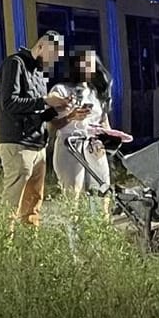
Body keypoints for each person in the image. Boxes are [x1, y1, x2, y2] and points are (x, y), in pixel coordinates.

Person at [0, 30, 75, 230]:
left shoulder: (40, 74)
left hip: (38, 146)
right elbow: (9, 103)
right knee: (12, 204)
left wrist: (63, 110)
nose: (52, 62)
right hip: (18, 145)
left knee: (33, 204)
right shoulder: (15, 65)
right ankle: (4, 249)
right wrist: (46, 100)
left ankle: (28, 249)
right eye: (52, 56)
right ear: (41, 47)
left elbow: (37, 112)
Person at [53, 48, 124, 204]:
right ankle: (73, 228)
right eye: (84, 63)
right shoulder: (61, 90)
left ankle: (101, 226)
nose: (88, 67)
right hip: (70, 146)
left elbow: (103, 120)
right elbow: (53, 124)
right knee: (73, 193)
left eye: (91, 64)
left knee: (102, 191)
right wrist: (71, 116)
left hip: (94, 146)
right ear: (75, 66)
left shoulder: (95, 93)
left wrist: (110, 137)